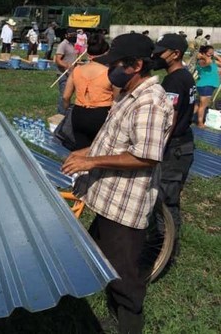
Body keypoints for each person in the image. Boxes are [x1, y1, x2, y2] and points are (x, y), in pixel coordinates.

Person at [62, 33, 173, 334]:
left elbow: (146, 157)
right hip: (109, 198)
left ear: (135, 65)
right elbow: (116, 139)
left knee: (125, 277)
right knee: (103, 259)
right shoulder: (128, 94)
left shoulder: (150, 102)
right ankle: (114, 316)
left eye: (116, 64)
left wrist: (92, 162)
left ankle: (128, 325)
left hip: (125, 205)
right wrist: (87, 151)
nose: (110, 71)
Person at [152, 33, 196, 262]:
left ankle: (165, 251)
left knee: (166, 200)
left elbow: (170, 118)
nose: (157, 56)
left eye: (161, 52)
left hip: (175, 148)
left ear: (175, 54)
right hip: (183, 144)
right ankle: (164, 244)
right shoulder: (185, 76)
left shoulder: (175, 80)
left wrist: (157, 150)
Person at [62, 32, 117, 149]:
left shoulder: (76, 70)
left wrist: (68, 109)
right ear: (106, 53)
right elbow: (117, 100)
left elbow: (66, 96)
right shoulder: (110, 72)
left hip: (78, 112)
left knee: (79, 149)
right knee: (98, 151)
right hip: (100, 113)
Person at [194, 44, 221, 127]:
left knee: (199, 104)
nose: (212, 54)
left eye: (212, 52)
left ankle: (189, 118)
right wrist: (202, 55)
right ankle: (200, 123)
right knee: (203, 105)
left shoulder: (212, 60)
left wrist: (216, 56)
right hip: (205, 85)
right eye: (210, 52)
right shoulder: (201, 61)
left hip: (209, 85)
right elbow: (208, 62)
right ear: (204, 53)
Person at [54, 29, 79, 114]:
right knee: (64, 95)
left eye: (75, 35)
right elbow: (58, 60)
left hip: (72, 74)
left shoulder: (73, 44)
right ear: (67, 35)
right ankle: (61, 113)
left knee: (69, 94)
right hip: (63, 74)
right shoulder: (63, 45)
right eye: (72, 35)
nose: (74, 36)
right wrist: (66, 65)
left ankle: (66, 110)